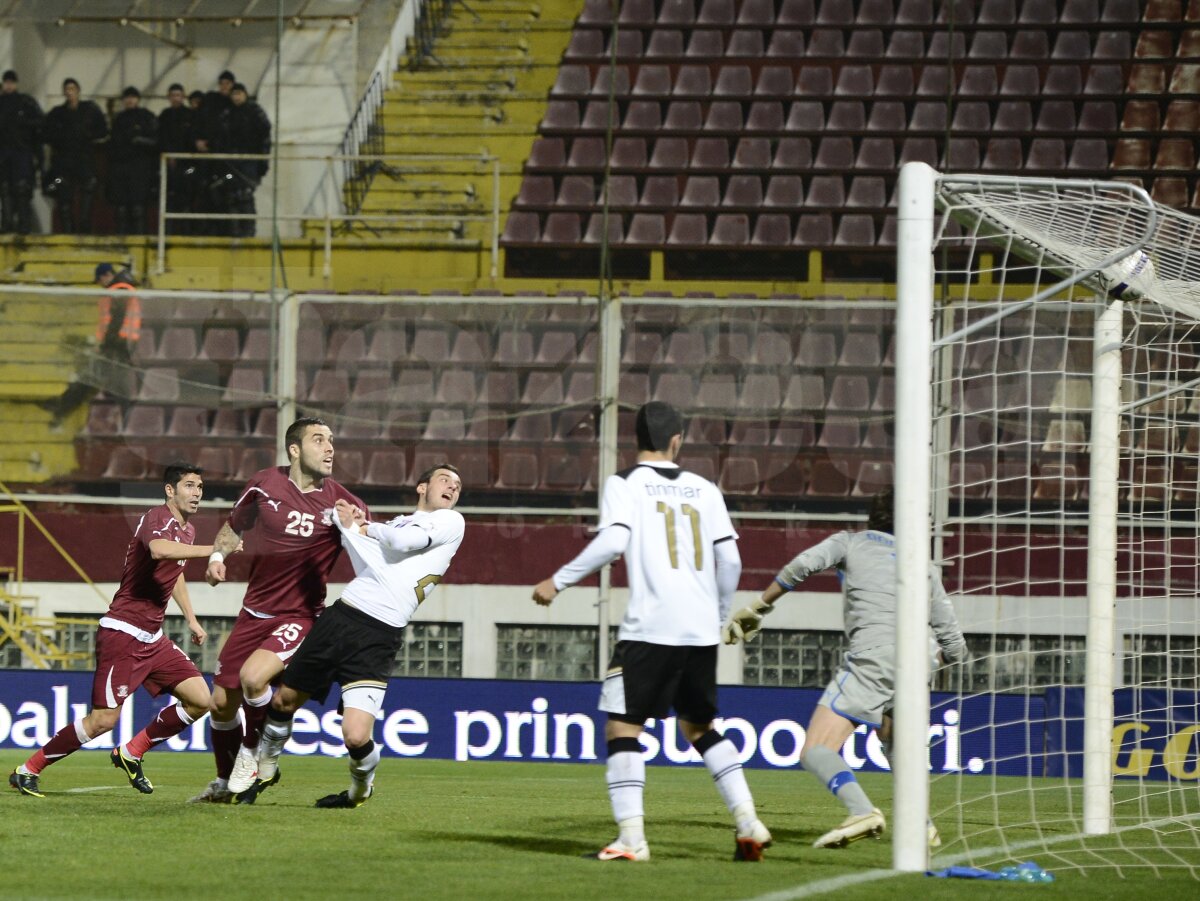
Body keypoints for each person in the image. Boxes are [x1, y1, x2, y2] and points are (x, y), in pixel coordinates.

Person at [531, 401, 771, 862]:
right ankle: (748, 822)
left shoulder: (624, 484)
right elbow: (732, 561)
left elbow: (614, 542)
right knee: (700, 727)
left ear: (635, 440)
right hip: (698, 631)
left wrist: (556, 580)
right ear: (677, 440)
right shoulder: (705, 488)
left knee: (623, 728)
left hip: (650, 627)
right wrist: (717, 614)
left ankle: (632, 838)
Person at [723, 487, 968, 849]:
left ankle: (862, 810)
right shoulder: (925, 567)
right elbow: (957, 649)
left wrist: (758, 606)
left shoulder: (851, 543)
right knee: (894, 741)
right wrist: (920, 665)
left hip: (871, 657)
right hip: (917, 665)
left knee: (815, 748)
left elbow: (802, 565)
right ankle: (922, 825)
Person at [253, 464, 465, 808]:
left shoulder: (450, 522)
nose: (453, 488)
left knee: (355, 735)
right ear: (421, 487)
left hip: (380, 634)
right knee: (282, 701)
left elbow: (400, 541)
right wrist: (348, 527)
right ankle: (264, 769)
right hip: (344, 615)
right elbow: (370, 562)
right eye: (445, 480)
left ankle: (359, 790)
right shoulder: (397, 522)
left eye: (458, 486)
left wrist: (361, 526)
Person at [9, 462, 225, 798]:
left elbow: (175, 570)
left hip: (153, 638)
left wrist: (191, 619)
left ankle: (132, 751)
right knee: (102, 721)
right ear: (170, 490)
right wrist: (214, 550)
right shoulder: (157, 518)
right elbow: (158, 550)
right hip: (123, 633)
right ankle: (28, 770)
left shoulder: (187, 530)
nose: (196, 493)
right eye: (189, 486)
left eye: (200, 486)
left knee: (201, 700)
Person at [190, 416, 368, 804]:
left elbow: (372, 548)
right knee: (220, 704)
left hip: (299, 615)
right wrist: (218, 555)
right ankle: (224, 783)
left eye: (331, 441)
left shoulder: (342, 502)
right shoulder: (263, 484)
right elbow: (233, 526)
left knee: (255, 678)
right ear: (294, 449)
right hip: (253, 611)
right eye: (318, 440)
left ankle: (254, 756)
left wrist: (354, 528)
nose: (329, 448)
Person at [40, 262, 140, 424]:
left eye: (99, 280)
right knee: (100, 377)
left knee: (98, 377)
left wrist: (106, 343)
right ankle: (62, 405)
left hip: (116, 343)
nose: (100, 285)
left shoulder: (119, 290)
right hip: (122, 342)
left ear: (106, 275)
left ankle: (62, 406)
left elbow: (117, 319)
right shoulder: (123, 289)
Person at [43, 77, 107, 233]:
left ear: (78, 91)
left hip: (84, 159)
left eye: (72, 89)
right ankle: (67, 231)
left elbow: (103, 130)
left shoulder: (90, 110)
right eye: (67, 89)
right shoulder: (57, 113)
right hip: (63, 163)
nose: (69, 92)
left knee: (89, 187)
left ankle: (84, 229)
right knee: (61, 189)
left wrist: (89, 136)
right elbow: (46, 134)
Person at [221, 83, 270, 238]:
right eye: (234, 94)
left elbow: (264, 134)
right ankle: (234, 231)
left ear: (245, 94)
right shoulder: (227, 113)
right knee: (231, 193)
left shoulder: (254, 111)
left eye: (239, 94)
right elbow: (220, 136)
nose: (236, 97)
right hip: (231, 164)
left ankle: (248, 231)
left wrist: (263, 161)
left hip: (250, 162)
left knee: (246, 193)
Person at [107, 86, 158, 234]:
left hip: (140, 168)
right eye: (127, 98)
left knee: (138, 208)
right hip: (121, 168)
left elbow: (156, 141)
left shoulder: (146, 117)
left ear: (138, 99)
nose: (130, 100)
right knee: (121, 210)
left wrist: (141, 141)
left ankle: (139, 239)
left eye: (132, 97)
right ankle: (122, 240)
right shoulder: (118, 119)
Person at [0, 69, 44, 234]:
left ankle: (24, 224)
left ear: (16, 84)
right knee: (5, 189)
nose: (9, 85)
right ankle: (7, 224)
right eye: (6, 82)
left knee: (22, 188)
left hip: (22, 151)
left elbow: (40, 122)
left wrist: (23, 124)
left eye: (11, 82)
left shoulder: (26, 102)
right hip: (4, 153)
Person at [158, 83, 196, 234]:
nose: (175, 98)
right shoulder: (164, 116)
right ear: (168, 97)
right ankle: (168, 232)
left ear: (183, 97)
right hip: (168, 164)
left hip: (188, 165)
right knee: (169, 198)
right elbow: (160, 138)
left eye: (178, 95)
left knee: (187, 197)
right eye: (173, 95)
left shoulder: (190, 116)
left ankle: (186, 232)